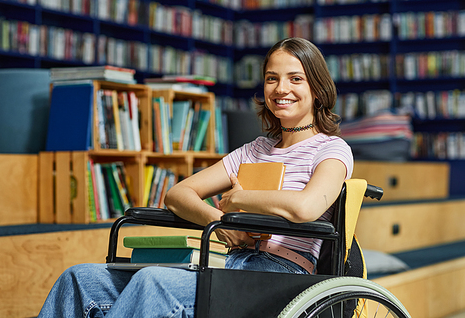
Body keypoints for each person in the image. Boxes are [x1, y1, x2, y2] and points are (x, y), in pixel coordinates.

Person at [37, 37, 354, 318]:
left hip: (282, 273)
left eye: (294, 78)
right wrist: (220, 223)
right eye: (272, 79)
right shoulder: (254, 150)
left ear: (317, 89)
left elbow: (306, 207)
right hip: (231, 264)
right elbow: (177, 194)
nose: (281, 89)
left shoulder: (331, 150)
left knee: (154, 283)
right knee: (80, 278)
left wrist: (238, 199)